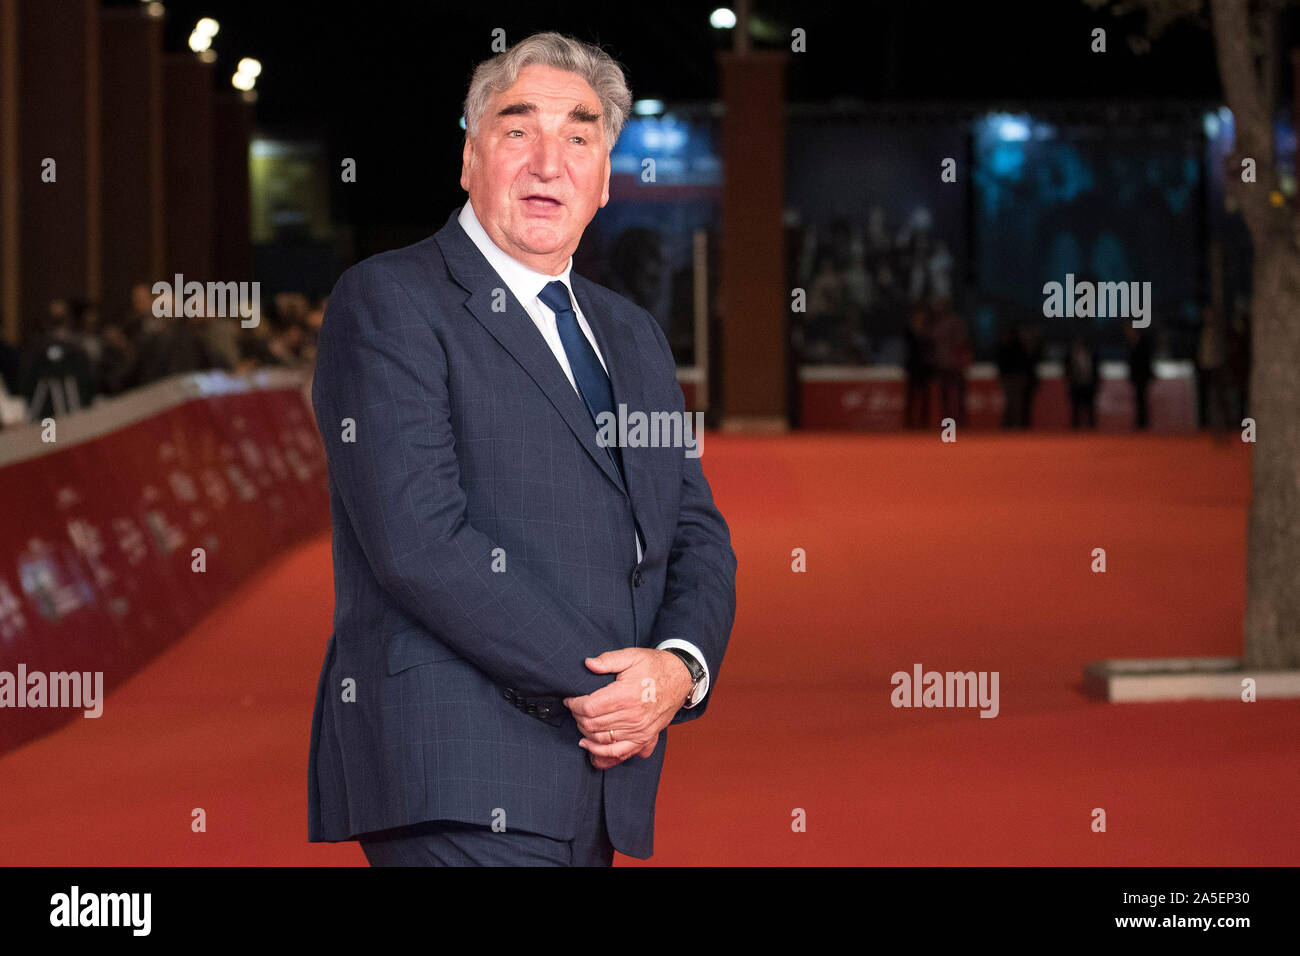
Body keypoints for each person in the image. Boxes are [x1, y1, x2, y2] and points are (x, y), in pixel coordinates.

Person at [307, 31, 737, 866]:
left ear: (607, 178)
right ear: (470, 160)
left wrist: (678, 671)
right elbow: (418, 540)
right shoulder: (390, 301)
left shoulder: (633, 335)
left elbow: (693, 532)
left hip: (601, 776)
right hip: (457, 765)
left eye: (580, 136)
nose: (549, 161)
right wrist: (607, 687)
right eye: (517, 130)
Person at [903, 305, 935, 428]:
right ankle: (909, 423)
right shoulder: (909, 331)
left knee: (925, 398)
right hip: (913, 368)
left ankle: (924, 423)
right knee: (911, 398)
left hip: (926, 369)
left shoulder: (928, 331)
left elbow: (931, 350)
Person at [1065, 331, 1099, 429]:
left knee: (1090, 410)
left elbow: (1095, 371)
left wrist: (1094, 383)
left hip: (1089, 385)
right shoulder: (1070, 356)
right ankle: (1075, 431)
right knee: (1075, 410)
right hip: (1076, 385)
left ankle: (1092, 430)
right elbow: (1067, 370)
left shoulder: (1092, 355)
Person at [1126, 324, 1154, 430]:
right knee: (1138, 401)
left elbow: (1146, 361)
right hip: (1136, 377)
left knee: (1142, 401)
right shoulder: (1130, 343)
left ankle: (1143, 423)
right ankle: (1140, 423)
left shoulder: (1143, 343)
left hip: (1143, 377)